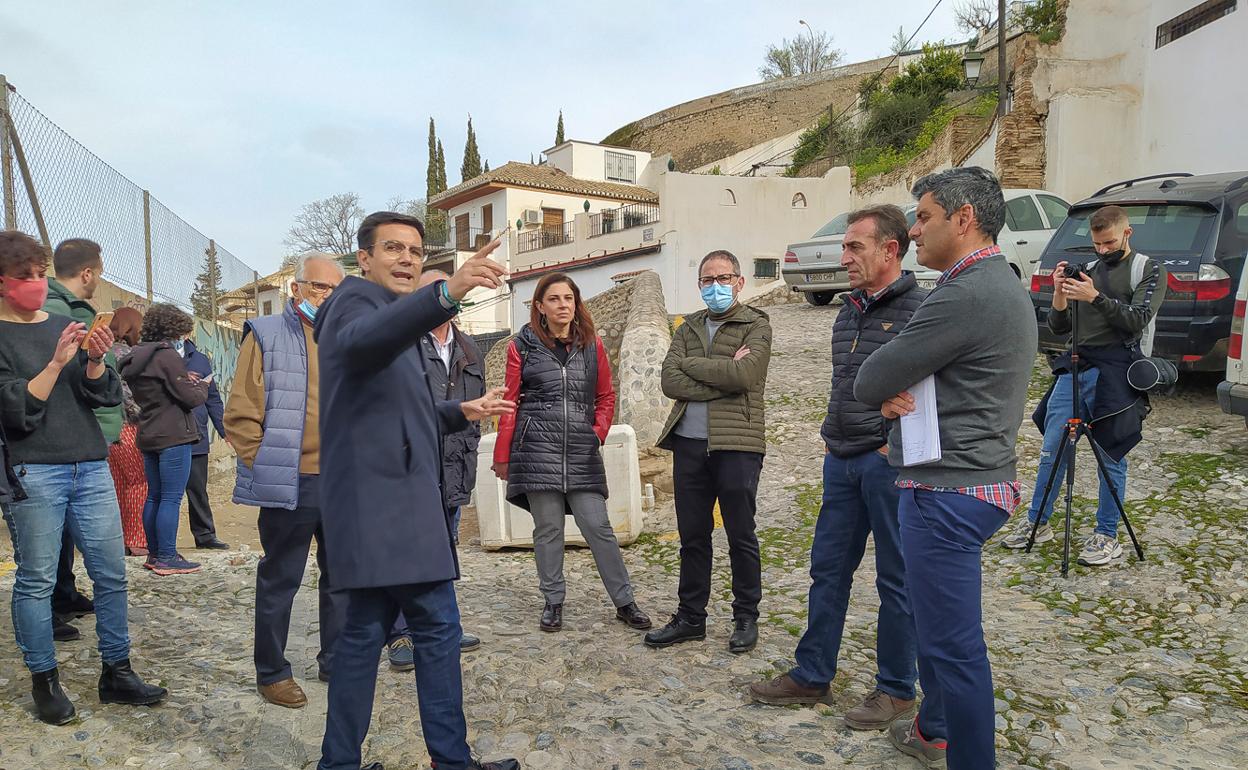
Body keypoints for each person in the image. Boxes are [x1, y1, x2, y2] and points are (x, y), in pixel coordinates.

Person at [315, 211, 518, 770]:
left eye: (415, 250)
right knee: (438, 629)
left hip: (379, 510)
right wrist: (447, 293)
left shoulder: (386, 315)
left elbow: (395, 411)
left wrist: (459, 411)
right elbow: (361, 345)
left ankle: (339, 764)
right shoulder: (355, 303)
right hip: (391, 510)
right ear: (364, 259)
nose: (407, 258)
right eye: (393, 248)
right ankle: (451, 761)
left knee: (361, 638)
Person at [854, 167, 1037, 769]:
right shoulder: (995, 282)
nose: (914, 229)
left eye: (925, 216)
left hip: (948, 489)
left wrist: (888, 388)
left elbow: (871, 378)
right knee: (937, 634)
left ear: (964, 219)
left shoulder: (967, 293)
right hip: (968, 480)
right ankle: (934, 729)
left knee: (954, 649)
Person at [747, 205, 923, 730]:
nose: (844, 256)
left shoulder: (921, 310)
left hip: (887, 465)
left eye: (854, 247)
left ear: (889, 250)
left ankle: (897, 689)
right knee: (827, 571)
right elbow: (842, 383)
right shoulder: (847, 311)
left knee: (896, 579)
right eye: (845, 246)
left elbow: (931, 390)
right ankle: (812, 674)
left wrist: (893, 443)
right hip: (840, 459)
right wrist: (831, 438)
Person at [0, 230, 166, 726]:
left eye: (39, 272)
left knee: (111, 575)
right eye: (25, 275)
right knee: (36, 580)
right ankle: (44, 679)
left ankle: (117, 671)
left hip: (90, 465)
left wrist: (94, 360)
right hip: (33, 469)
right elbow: (16, 411)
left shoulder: (63, 323)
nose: (36, 282)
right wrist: (56, 363)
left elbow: (104, 395)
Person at [1001, 204, 1166, 566]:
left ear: (1127, 233)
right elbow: (1060, 327)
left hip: (1118, 369)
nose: (1103, 250)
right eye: (1097, 244)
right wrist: (1060, 294)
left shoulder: (1147, 269)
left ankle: (1107, 534)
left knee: (1112, 453)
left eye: (1109, 243)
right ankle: (1038, 522)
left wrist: (1095, 297)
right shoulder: (1088, 270)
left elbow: (1136, 320)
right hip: (1077, 365)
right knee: (1053, 447)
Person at [492, 272, 651, 635]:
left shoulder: (592, 345)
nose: (563, 305)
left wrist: (596, 433)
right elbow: (509, 403)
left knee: (598, 527)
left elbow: (605, 396)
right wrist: (503, 454)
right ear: (540, 306)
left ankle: (625, 602)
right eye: (554, 299)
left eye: (569, 298)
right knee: (548, 529)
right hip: (537, 451)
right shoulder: (521, 347)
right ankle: (553, 601)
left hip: (581, 451)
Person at [224, 253, 345, 709]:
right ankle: (272, 672)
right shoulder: (266, 334)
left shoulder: (350, 336)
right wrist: (264, 463)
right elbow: (241, 411)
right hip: (291, 482)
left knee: (342, 578)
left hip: (343, 482)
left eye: (335, 289)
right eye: (318, 286)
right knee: (280, 579)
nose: (327, 296)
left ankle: (336, 660)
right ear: (296, 289)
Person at [645, 250, 771, 654]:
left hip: (737, 444)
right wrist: (722, 375)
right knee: (692, 535)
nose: (715, 286)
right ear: (699, 284)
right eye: (707, 280)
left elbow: (745, 376)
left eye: (723, 278)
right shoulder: (688, 327)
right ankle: (690, 618)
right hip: (688, 444)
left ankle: (745, 616)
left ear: (739, 282)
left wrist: (694, 366)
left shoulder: (757, 325)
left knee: (740, 534)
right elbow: (669, 380)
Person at [385, 269, 486, 671]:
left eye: (446, 287)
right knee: (405, 552)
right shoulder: (399, 344)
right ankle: (400, 633)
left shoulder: (470, 349)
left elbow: (475, 412)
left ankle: (443, 625)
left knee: (444, 549)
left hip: (455, 467)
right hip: (412, 469)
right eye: (432, 290)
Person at [42, 239, 122, 638]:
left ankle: (64, 592)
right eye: (99, 273)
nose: (98, 281)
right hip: (67, 435)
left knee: (67, 530)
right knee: (54, 529)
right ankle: (51, 605)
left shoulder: (71, 308)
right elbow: (63, 379)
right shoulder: (57, 310)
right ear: (87, 273)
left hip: (86, 432)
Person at [119, 303, 209, 576]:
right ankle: (167, 556)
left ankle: (155, 553)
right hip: (173, 434)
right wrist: (202, 386)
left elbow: (160, 386)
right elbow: (189, 398)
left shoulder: (136, 356)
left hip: (148, 432)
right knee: (171, 498)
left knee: (154, 496)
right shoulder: (166, 355)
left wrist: (182, 379)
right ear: (172, 329)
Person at [180, 332, 230, 549]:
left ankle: (205, 536)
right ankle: (156, 542)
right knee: (162, 493)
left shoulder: (200, 359)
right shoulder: (158, 356)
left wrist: (224, 430)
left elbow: (213, 398)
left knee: (197, 489)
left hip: (196, 434)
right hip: (167, 434)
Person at [107, 307, 149, 556]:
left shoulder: (101, 351)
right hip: (129, 427)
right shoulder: (127, 355)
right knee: (138, 482)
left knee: (119, 484)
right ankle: (136, 539)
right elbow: (129, 396)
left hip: (107, 429)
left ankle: (120, 539)